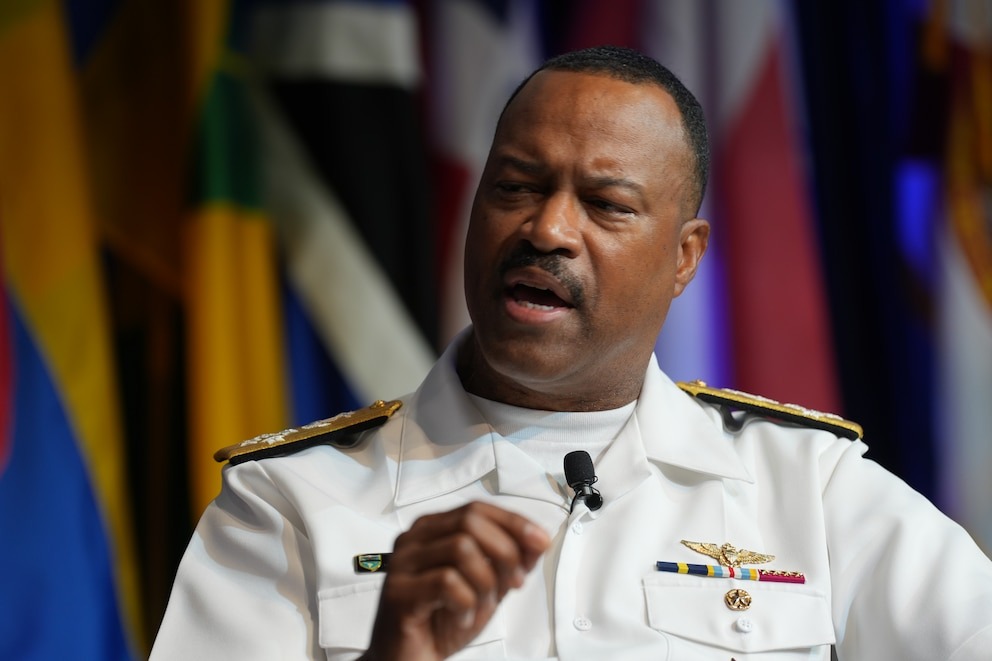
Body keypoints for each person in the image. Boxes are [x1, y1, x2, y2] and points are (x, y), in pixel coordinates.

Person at [151, 46, 992, 660]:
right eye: (516, 186)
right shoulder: (291, 501)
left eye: (606, 203)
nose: (548, 228)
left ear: (685, 257)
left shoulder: (808, 486)